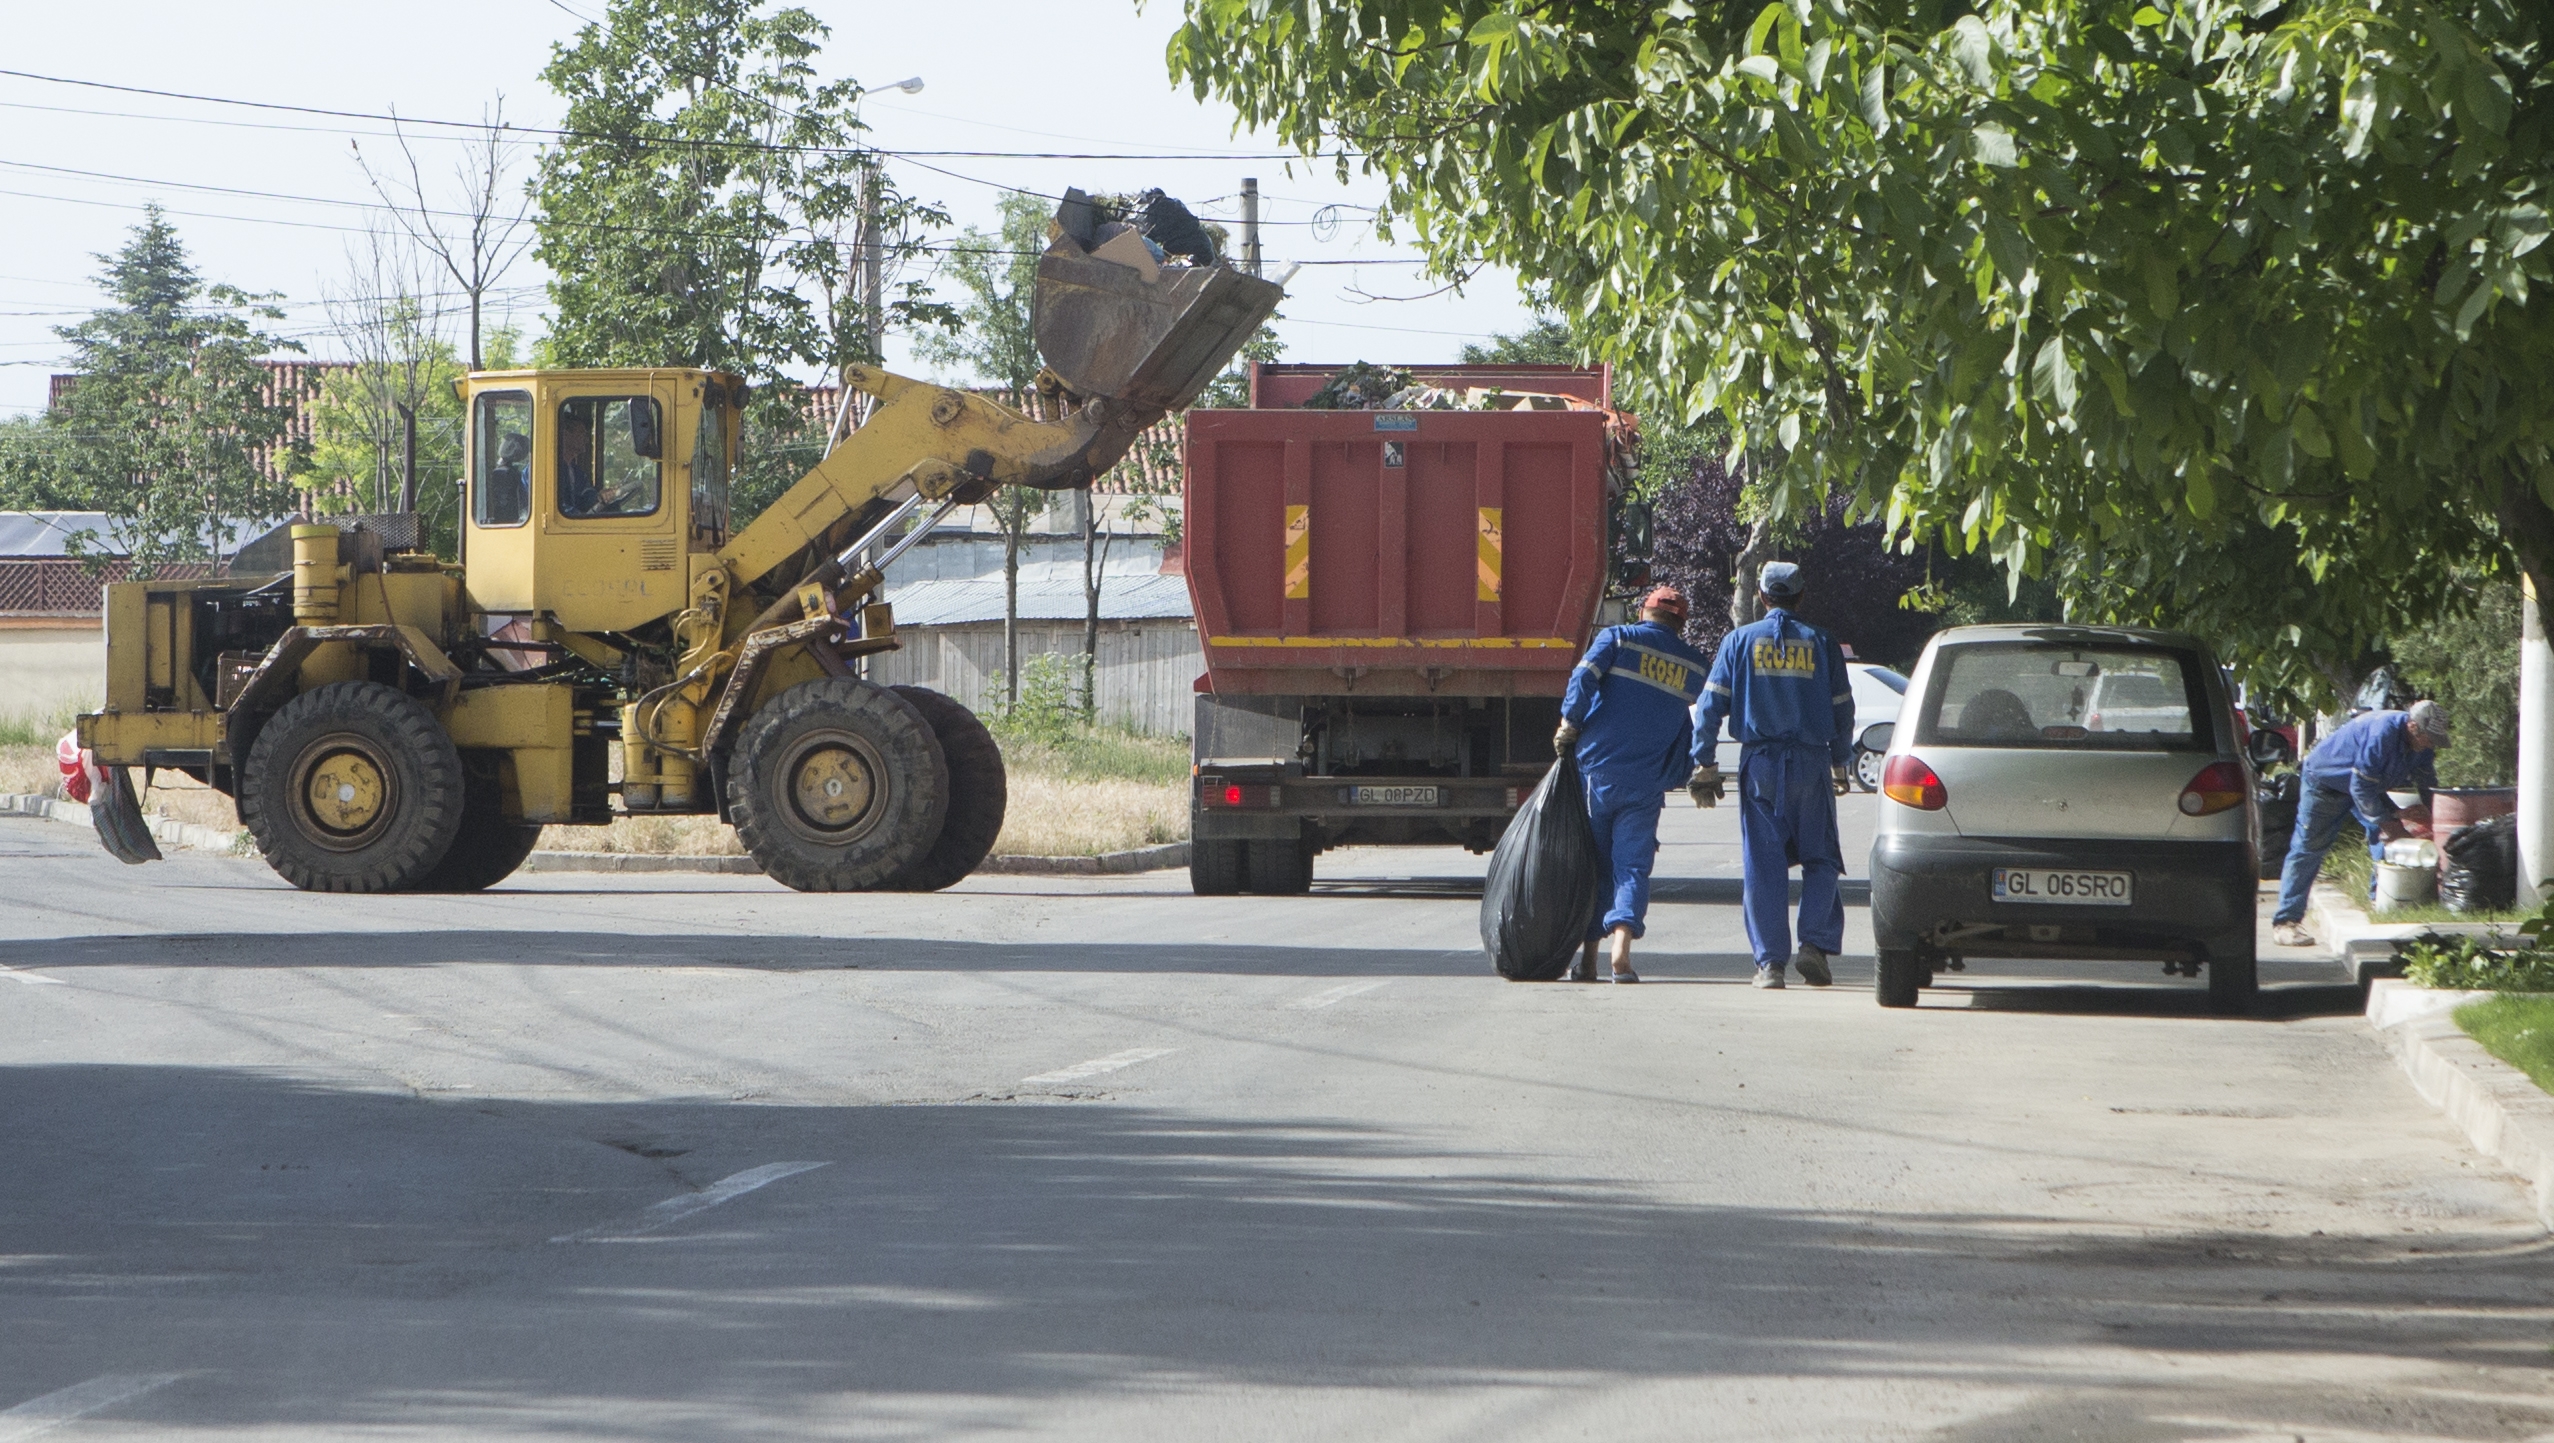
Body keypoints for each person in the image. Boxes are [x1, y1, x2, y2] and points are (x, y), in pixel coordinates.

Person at [1692, 561, 1855, 990]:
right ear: (1801, 596)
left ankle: (1770, 966)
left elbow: (1709, 707)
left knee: (1763, 865)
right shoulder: (1822, 643)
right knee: (1820, 857)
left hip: (1761, 765)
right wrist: (1841, 762)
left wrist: (1704, 762)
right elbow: (1843, 709)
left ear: (1763, 597)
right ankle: (1815, 946)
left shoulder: (1739, 641)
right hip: (1811, 763)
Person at [1553, 585, 1712, 983]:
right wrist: (1696, 769)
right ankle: (1621, 948)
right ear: (1680, 623)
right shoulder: (1693, 664)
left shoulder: (1618, 637)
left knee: (1596, 866)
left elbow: (1583, 677)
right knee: (1632, 867)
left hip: (1599, 774)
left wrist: (1570, 722)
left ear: (1644, 612)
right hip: (1646, 782)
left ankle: (1588, 959)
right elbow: (1697, 719)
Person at [2270, 700, 2449, 947]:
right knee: (2309, 847)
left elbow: (2428, 783)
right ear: (2412, 726)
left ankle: (2383, 902)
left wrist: (2438, 818)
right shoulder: (2382, 732)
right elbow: (2360, 787)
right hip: (2327, 783)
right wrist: (2387, 822)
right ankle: (2286, 922)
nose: (2430, 744)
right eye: (2427, 738)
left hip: (2366, 786)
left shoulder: (2424, 745)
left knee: (2385, 841)